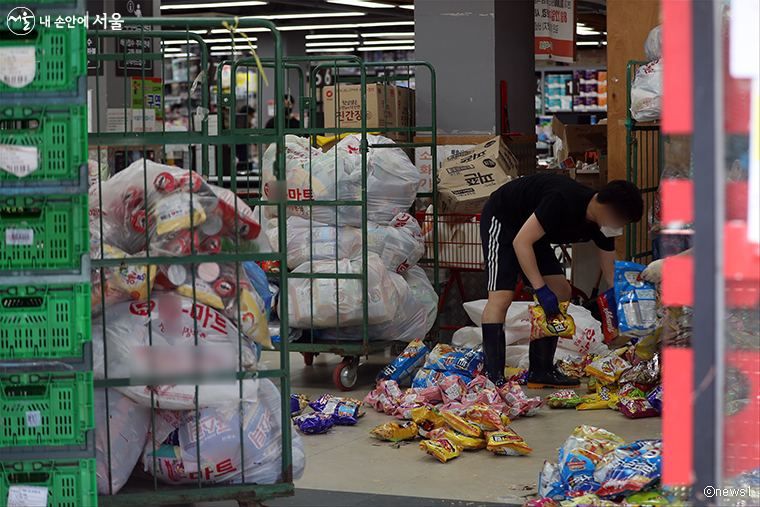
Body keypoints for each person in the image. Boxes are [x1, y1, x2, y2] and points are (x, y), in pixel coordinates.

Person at [480, 174, 644, 388]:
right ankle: (493, 377)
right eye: (621, 221)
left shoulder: (603, 225)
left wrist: (626, 311)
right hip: (504, 219)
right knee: (502, 297)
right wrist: (540, 288)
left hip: (532, 230)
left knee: (560, 290)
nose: (620, 228)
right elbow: (521, 242)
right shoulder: (562, 199)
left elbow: (611, 274)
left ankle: (541, 370)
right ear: (608, 210)